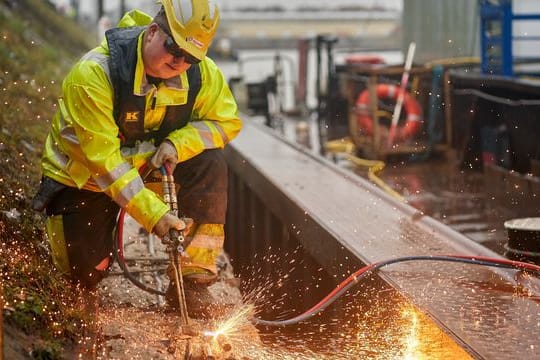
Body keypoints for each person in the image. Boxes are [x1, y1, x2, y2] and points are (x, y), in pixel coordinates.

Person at [31, 0, 242, 318]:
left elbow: (226, 122)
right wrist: (156, 217)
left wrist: (177, 143)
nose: (180, 62)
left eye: (190, 57)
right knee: (83, 274)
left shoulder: (200, 75)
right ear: (153, 31)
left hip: (146, 170)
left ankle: (193, 281)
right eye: (175, 49)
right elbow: (106, 165)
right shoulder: (94, 75)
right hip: (88, 181)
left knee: (210, 164)